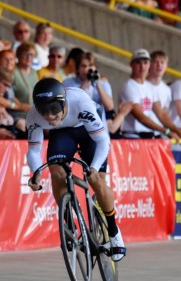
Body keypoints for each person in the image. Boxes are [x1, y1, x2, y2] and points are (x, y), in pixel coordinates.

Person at [26, 78, 126, 261]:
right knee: (56, 171)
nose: (49, 116)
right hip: (63, 133)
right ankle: (68, 222)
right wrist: (36, 172)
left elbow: (103, 141)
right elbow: (33, 150)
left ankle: (113, 231)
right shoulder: (33, 115)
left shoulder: (80, 102)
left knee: (96, 180)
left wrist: (94, 168)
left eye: (54, 109)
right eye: (44, 111)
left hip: (87, 131)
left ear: (63, 102)